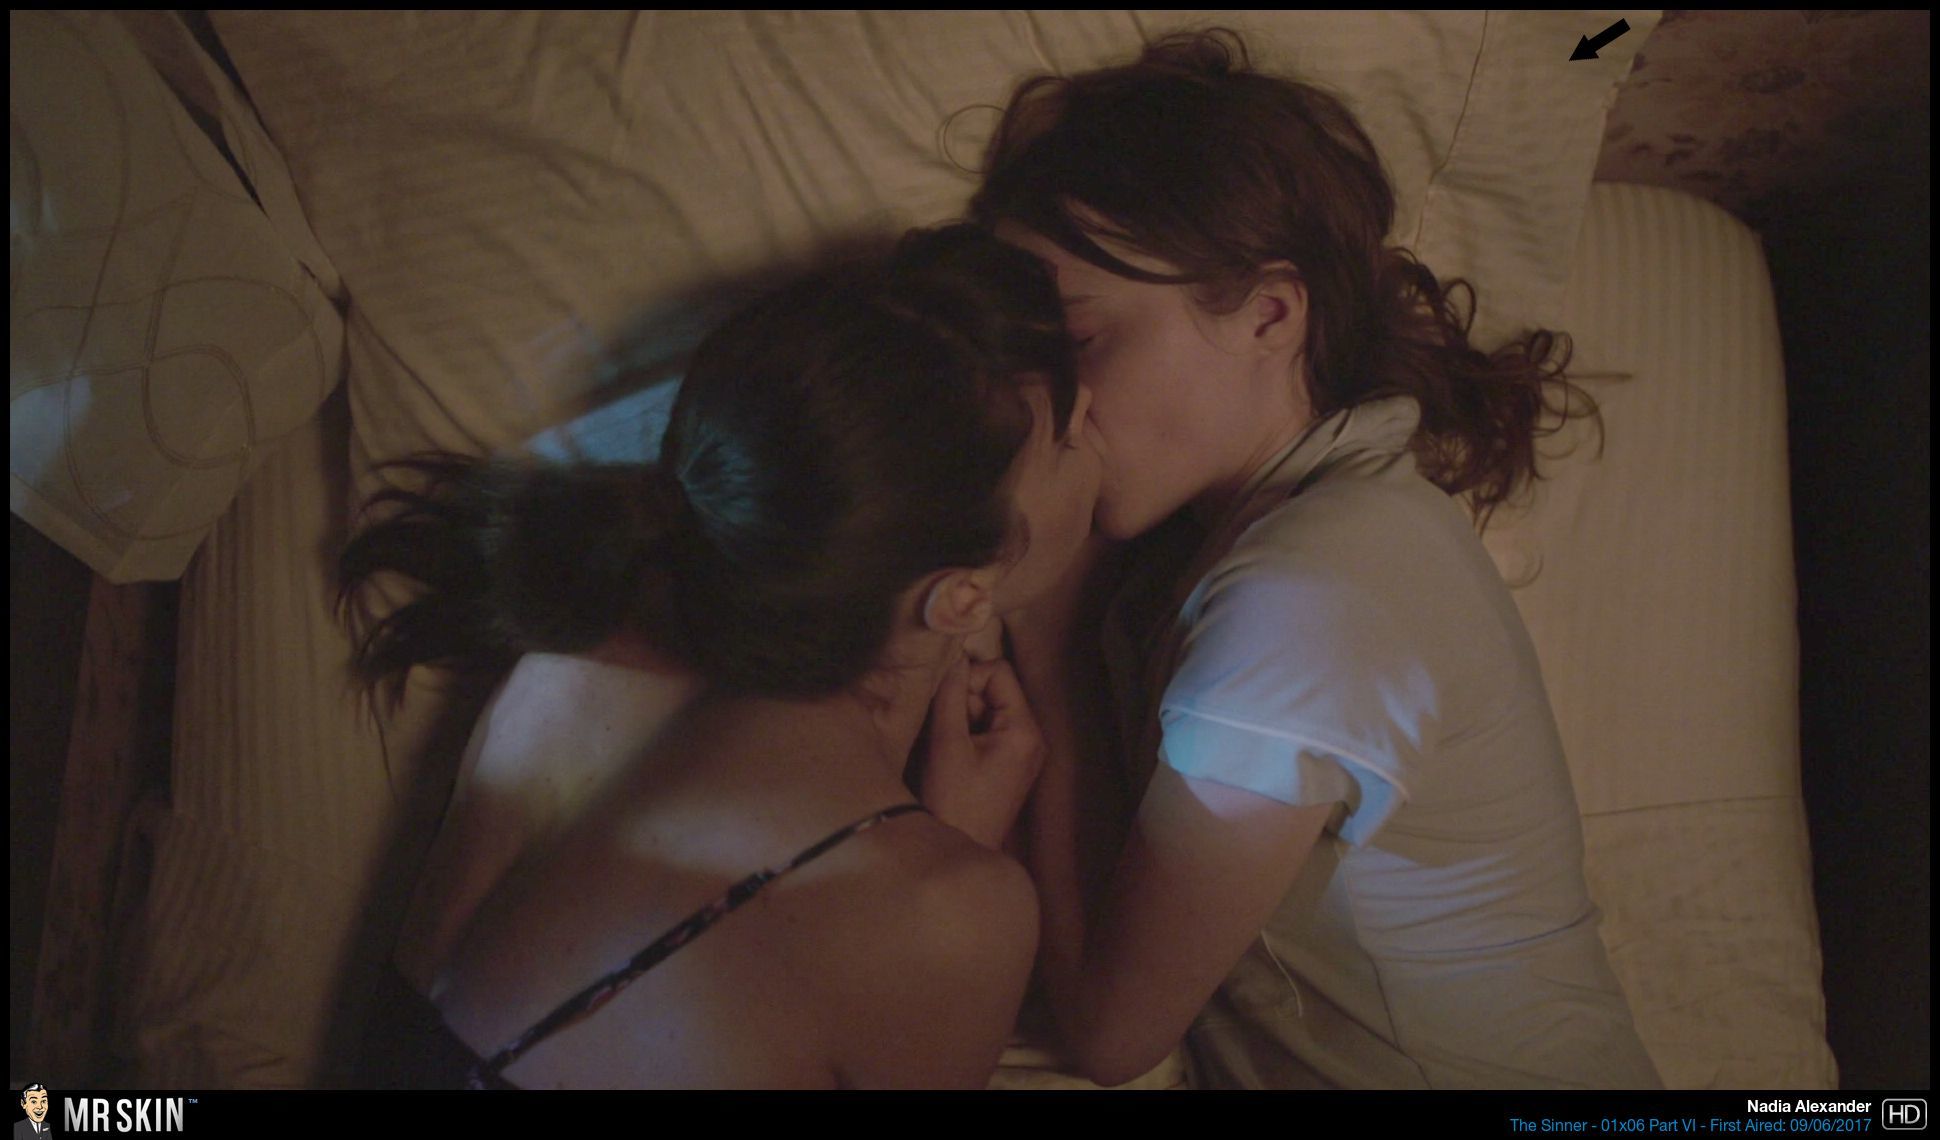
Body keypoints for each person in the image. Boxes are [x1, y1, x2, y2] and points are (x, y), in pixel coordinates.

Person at [967, 29, 1663, 1089]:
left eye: (1081, 343)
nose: (1051, 405)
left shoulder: (1311, 593)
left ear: (1269, 315)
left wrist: (1051, 634)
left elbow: (1113, 1032)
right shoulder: (1275, 535)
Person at [336, 223, 1102, 1088]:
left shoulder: (588, 664)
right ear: (961, 595)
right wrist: (953, 843)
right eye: (1069, 439)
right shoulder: (951, 912)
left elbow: (412, 1043)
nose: (1094, 429)